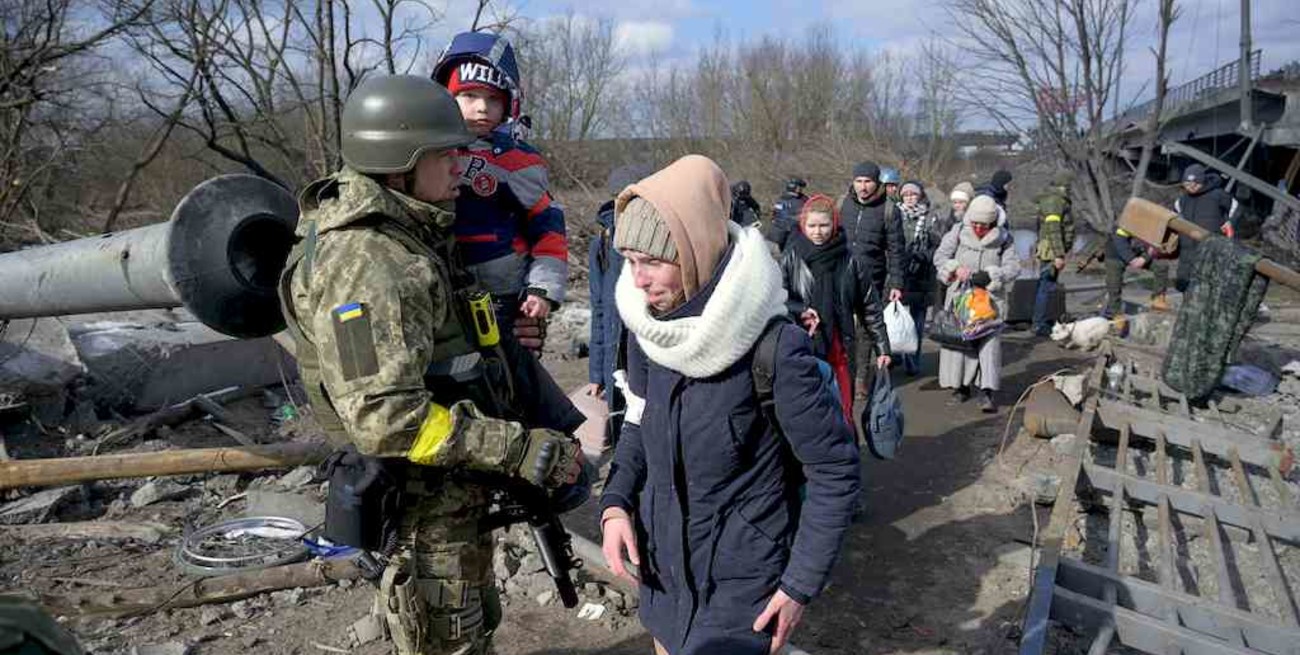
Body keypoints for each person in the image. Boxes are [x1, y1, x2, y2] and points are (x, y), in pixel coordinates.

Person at [277, 75, 585, 655]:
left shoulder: (408, 229)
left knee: (471, 624)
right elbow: (386, 418)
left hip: (447, 487)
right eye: (446, 154)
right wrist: (519, 449)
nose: (460, 166)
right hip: (424, 500)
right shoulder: (370, 261)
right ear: (401, 164)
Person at [599, 155, 860, 655]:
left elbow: (834, 471)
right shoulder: (649, 330)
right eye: (630, 261)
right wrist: (615, 505)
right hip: (663, 580)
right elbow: (637, 422)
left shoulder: (772, 347)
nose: (637, 280)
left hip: (741, 596)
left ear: (696, 250)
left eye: (652, 261)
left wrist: (799, 585)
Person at [432, 32, 568, 350]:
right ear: (443, 98)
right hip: (439, 294)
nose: (482, 108)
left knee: (510, 383)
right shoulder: (420, 154)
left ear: (509, 102)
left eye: (493, 98)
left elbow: (549, 227)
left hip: (505, 298)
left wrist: (542, 289)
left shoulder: (517, 160)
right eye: (469, 96)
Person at [779, 193, 892, 423]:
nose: (817, 231)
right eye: (812, 226)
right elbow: (776, 299)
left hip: (839, 345)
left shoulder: (851, 261)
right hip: (802, 345)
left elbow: (870, 306)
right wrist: (799, 309)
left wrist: (883, 347)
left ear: (835, 224)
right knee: (807, 410)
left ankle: (844, 452)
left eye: (824, 225)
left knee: (842, 408)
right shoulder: (791, 257)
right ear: (803, 225)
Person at [934, 195, 1019, 413]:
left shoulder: (1005, 239)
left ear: (993, 222)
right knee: (961, 345)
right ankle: (961, 387)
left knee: (988, 347)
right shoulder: (957, 231)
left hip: (990, 301)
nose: (979, 228)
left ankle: (988, 392)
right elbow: (940, 257)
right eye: (976, 223)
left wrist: (993, 275)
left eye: (984, 224)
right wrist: (954, 268)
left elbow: (1013, 268)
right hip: (960, 297)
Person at [586, 164, 651, 443]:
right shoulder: (601, 244)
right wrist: (597, 373)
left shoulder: (658, 239)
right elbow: (599, 310)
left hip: (651, 355)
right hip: (616, 357)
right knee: (622, 438)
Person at [840, 161, 905, 399]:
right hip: (842, 275)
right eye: (859, 181)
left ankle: (860, 379)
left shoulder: (889, 210)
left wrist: (897, 283)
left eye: (867, 181)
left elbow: (897, 250)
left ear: (877, 183)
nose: (863, 186)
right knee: (842, 325)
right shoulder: (842, 204)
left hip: (872, 277)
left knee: (866, 329)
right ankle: (844, 373)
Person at [897, 181, 944, 375]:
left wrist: (923, 255)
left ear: (920, 196)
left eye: (913, 194)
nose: (909, 197)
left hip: (922, 274)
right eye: (906, 194)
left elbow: (938, 245)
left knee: (917, 320)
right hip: (900, 273)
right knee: (899, 318)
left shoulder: (930, 217)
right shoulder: (895, 215)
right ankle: (897, 354)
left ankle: (912, 359)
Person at [1173, 163, 1238, 292]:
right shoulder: (1181, 200)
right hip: (1186, 249)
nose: (1191, 188)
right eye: (1187, 185)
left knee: (1209, 282)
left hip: (1211, 246)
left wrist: (1231, 222)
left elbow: (1236, 208)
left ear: (1202, 181)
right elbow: (1175, 217)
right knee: (1183, 282)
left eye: (1194, 184)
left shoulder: (1218, 195)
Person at [1031, 172, 1075, 336]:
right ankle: (1039, 324)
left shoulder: (1054, 200)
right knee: (1045, 286)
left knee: (1046, 286)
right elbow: (1054, 230)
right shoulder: (1055, 202)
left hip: (1050, 248)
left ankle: (1041, 321)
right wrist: (1058, 254)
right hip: (1051, 250)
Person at [1104, 226, 1173, 316]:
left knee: (1161, 266)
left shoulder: (1154, 224)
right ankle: (1114, 312)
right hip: (1115, 256)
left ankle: (1158, 298)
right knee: (1114, 285)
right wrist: (1132, 259)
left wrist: (1145, 257)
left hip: (1137, 251)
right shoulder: (1128, 221)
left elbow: (1154, 245)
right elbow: (1119, 240)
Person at [768, 177, 808, 250]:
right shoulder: (798, 201)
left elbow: (774, 215)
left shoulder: (781, 199)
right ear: (796, 188)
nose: (800, 190)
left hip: (780, 234)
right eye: (800, 187)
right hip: (790, 234)